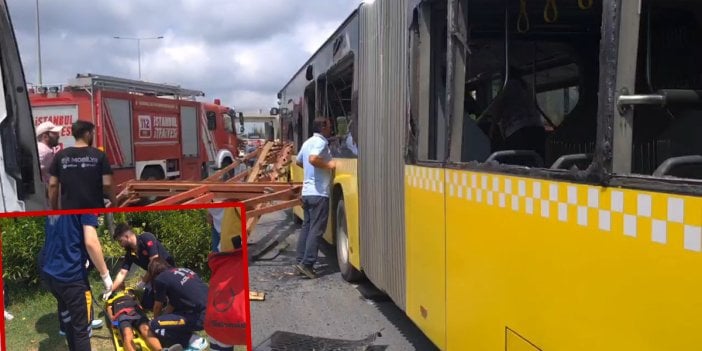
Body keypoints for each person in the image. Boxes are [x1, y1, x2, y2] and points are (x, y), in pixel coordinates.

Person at [41, 214, 113, 351]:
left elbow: (57, 235)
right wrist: (105, 275)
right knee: (81, 330)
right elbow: (91, 242)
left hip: (51, 273)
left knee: (69, 320)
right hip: (71, 277)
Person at [293, 117, 336, 279]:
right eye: (329, 126)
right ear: (323, 127)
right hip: (319, 193)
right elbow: (313, 159)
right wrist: (328, 166)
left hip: (307, 192)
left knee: (307, 227)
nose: (331, 129)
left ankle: (300, 260)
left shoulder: (306, 143)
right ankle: (308, 263)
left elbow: (299, 161)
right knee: (316, 230)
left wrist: (311, 173)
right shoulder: (321, 142)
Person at [48, 120, 117, 210]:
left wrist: (54, 209)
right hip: (94, 210)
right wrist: (114, 202)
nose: (93, 136)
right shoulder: (99, 155)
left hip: (69, 211)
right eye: (92, 133)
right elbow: (107, 184)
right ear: (87, 134)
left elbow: (53, 185)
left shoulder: (60, 156)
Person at [108, 223, 175, 310]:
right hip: (153, 276)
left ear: (127, 236)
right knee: (147, 304)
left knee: (163, 297)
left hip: (167, 272)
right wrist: (111, 290)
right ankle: (162, 299)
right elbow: (122, 272)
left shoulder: (146, 238)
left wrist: (143, 281)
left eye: (120, 241)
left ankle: (169, 300)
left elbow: (154, 264)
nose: (120, 245)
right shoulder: (130, 253)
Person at [147, 257, 209, 351]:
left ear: (154, 272)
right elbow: (172, 304)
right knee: (169, 318)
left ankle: (194, 341)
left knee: (154, 325)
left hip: (200, 317)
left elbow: (157, 306)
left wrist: (156, 322)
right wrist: (164, 318)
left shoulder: (161, 279)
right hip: (214, 310)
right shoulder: (183, 270)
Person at [489, 67, 546, 158]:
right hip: (538, 128)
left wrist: (492, 128)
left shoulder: (507, 86)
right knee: (536, 160)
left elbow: (497, 108)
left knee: (517, 162)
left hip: (519, 130)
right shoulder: (527, 86)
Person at [106, 288, 183, 351]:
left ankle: (161, 350)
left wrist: (140, 308)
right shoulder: (112, 299)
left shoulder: (130, 294)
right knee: (127, 333)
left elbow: (138, 303)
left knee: (146, 329)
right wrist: (111, 318)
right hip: (122, 314)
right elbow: (109, 308)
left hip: (136, 312)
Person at [35, 121, 63, 186]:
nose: (58, 136)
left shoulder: (42, 148)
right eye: (54, 133)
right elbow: (34, 170)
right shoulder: (43, 150)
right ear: (45, 137)